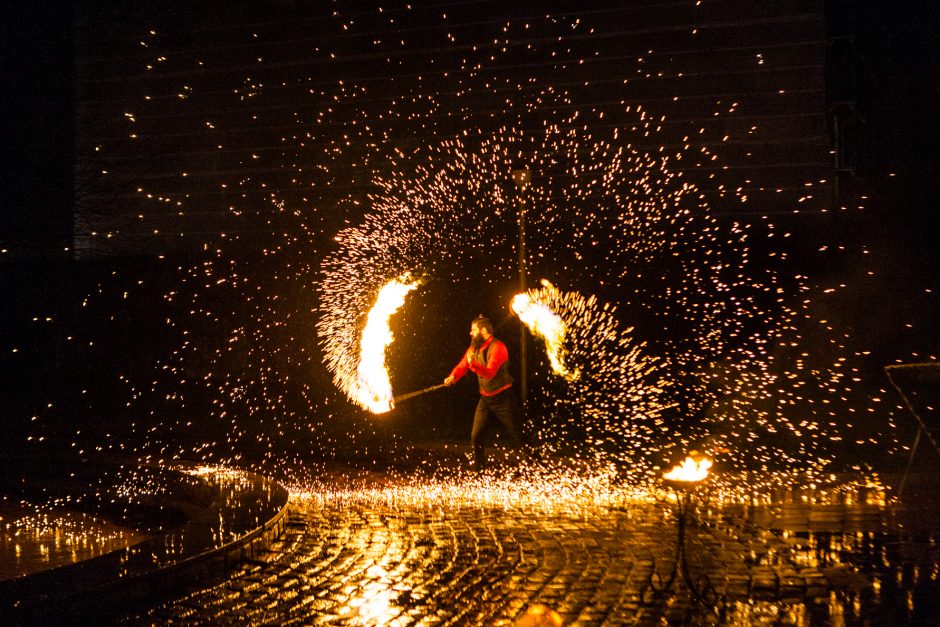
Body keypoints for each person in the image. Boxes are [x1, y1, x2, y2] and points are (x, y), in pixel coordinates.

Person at [444, 314, 522, 469]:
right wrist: (453, 376)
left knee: (518, 434)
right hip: (486, 399)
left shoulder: (499, 347)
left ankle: (540, 465)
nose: (470, 333)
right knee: (476, 435)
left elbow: (489, 372)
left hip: (503, 398)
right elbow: (463, 364)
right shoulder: (474, 347)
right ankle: (479, 468)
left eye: (473, 329)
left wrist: (473, 364)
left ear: (483, 330)